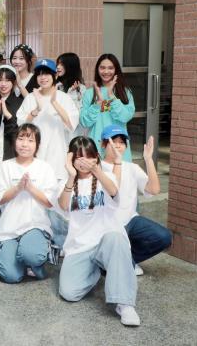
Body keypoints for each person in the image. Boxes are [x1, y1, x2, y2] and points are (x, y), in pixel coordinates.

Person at [58, 136, 140, 327]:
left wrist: (97, 170)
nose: (84, 161)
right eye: (79, 157)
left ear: (96, 156)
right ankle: (97, 269)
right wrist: (70, 175)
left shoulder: (107, 176)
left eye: (89, 156)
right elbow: (62, 205)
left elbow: (113, 191)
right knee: (69, 293)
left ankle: (125, 304)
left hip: (107, 241)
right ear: (71, 159)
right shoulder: (65, 182)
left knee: (116, 237)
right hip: (80, 246)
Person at [0, 124, 58, 283]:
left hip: (35, 225)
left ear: (37, 145)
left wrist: (30, 188)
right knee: (10, 276)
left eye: (30, 140)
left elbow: (50, 202)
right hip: (9, 228)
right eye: (21, 139)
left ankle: (34, 261)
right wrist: (18, 188)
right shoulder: (5, 167)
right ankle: (22, 261)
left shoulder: (45, 168)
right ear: (14, 142)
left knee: (32, 255)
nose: (24, 144)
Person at [100, 126, 171, 275]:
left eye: (122, 142)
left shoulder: (132, 168)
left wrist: (148, 159)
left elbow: (154, 190)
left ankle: (127, 260)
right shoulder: (97, 168)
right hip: (107, 224)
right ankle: (111, 262)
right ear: (103, 144)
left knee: (164, 237)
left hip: (130, 220)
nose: (118, 145)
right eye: (113, 141)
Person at [17, 59, 79, 182]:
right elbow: (21, 125)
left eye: (46, 74)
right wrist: (36, 110)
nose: (43, 77)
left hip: (57, 156)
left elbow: (71, 125)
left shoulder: (64, 98)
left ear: (55, 75)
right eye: (39, 74)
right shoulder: (30, 98)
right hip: (34, 155)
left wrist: (54, 103)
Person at [80, 53, 135, 161]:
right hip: (96, 147)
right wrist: (97, 104)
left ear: (116, 70)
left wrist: (111, 96)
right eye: (102, 68)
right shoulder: (89, 93)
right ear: (97, 69)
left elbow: (125, 117)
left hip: (119, 147)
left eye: (110, 68)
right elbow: (84, 122)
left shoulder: (125, 92)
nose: (106, 71)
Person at [56, 52, 87, 137]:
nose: (58, 67)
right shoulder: (55, 86)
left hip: (73, 134)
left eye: (61, 64)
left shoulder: (81, 89)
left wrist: (72, 96)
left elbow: (80, 115)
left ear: (70, 66)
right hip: (56, 131)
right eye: (58, 63)